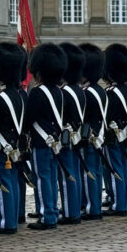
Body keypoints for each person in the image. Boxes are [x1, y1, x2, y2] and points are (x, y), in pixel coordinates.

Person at [27, 43, 67, 228]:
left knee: (43, 179)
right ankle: (51, 210)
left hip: (41, 143)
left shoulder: (37, 93)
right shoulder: (59, 92)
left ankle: (47, 216)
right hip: (54, 142)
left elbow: (29, 119)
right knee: (51, 178)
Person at [0, 42, 27, 233]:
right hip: (15, 145)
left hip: (2, 146)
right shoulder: (20, 96)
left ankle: (7, 222)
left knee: (3, 182)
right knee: (12, 181)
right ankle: (12, 218)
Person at [103, 43, 127, 215]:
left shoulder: (111, 92)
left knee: (115, 168)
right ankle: (122, 200)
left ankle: (118, 205)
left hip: (114, 135)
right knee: (123, 167)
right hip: (125, 133)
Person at [57, 43, 86, 224]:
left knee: (68, 176)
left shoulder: (65, 92)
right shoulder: (80, 91)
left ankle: (70, 212)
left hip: (66, 138)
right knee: (75, 173)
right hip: (77, 136)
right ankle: (74, 206)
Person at [79, 43, 107, 220]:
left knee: (89, 173)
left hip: (90, 137)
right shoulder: (99, 90)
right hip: (98, 136)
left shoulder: (87, 92)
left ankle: (92, 208)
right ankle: (94, 204)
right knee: (95, 172)